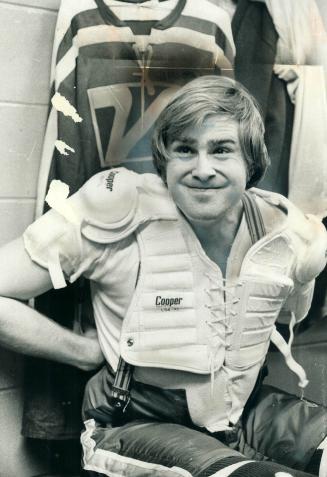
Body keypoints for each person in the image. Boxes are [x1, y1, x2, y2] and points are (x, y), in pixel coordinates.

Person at [0, 76, 326, 477]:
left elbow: (286, 314)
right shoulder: (120, 209)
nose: (201, 169)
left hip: (243, 412)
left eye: (221, 150)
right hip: (135, 424)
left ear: (251, 161)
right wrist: (80, 351)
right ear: (165, 159)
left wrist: (305, 270)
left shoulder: (280, 229)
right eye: (185, 150)